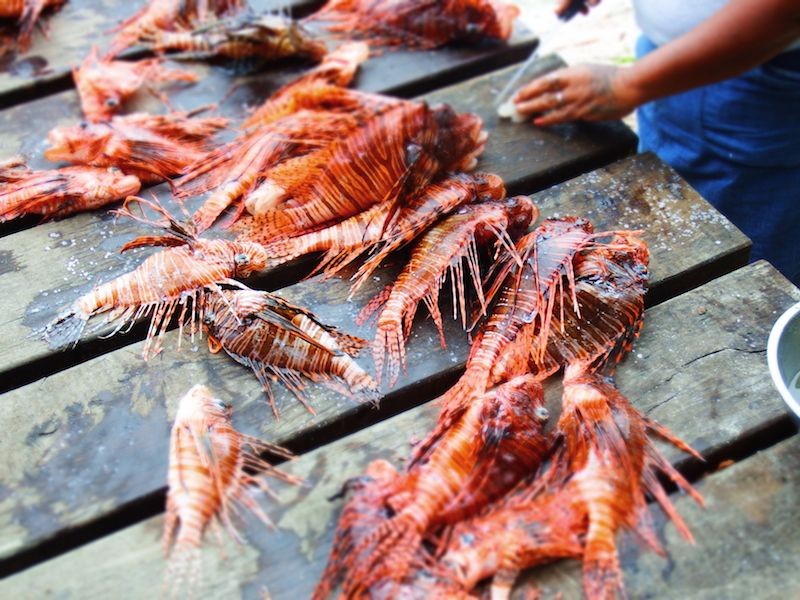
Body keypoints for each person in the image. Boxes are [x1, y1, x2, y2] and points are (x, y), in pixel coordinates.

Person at [512, 0, 800, 285]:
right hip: (665, 55)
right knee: (659, 213)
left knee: (750, 273)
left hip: (761, 75)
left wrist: (625, 85)